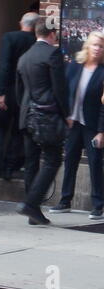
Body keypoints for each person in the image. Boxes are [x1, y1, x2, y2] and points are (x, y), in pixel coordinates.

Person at [16, 17, 69, 225]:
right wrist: (67, 115)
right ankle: (31, 204)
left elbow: (20, 91)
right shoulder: (53, 54)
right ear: (52, 34)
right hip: (46, 117)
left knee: (31, 164)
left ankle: (33, 211)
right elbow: (60, 89)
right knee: (52, 160)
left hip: (26, 115)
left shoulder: (24, 57)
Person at [49, 32, 104, 220]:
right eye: (95, 44)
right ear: (88, 45)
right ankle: (65, 201)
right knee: (70, 160)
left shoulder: (103, 71)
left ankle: (98, 205)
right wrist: (65, 115)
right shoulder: (74, 66)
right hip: (73, 122)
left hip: (92, 125)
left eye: (101, 46)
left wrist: (101, 131)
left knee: (95, 163)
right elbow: (64, 92)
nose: (97, 48)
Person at [0, 12, 39, 181]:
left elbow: (4, 65)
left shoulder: (9, 38)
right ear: (36, 26)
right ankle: (8, 168)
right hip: (25, 93)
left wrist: (1, 92)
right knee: (17, 130)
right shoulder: (35, 42)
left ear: (20, 23)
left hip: (8, 89)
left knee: (0, 126)